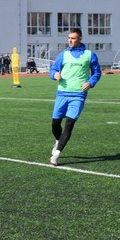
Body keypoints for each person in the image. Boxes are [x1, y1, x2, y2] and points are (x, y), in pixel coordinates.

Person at [48, 28, 102, 166]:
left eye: (73, 38)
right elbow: (53, 69)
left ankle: (56, 155)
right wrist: (55, 75)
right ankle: (58, 141)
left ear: (80, 39)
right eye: (69, 38)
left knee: (69, 124)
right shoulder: (63, 55)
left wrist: (90, 82)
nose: (70, 40)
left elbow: (97, 72)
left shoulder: (90, 55)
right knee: (55, 124)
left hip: (78, 95)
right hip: (62, 93)